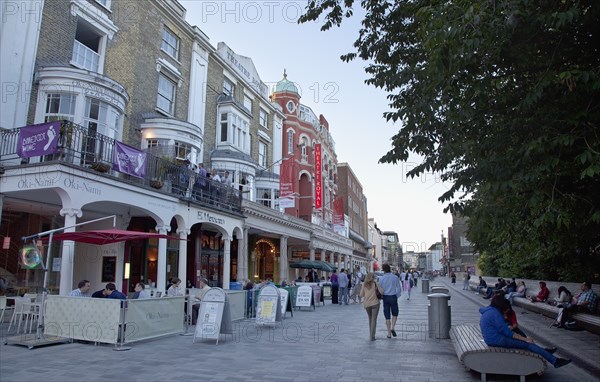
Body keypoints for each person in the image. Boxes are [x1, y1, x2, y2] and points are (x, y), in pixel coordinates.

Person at [479, 294, 571, 368]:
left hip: (492, 338)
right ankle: (555, 361)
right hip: (496, 340)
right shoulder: (495, 313)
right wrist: (525, 339)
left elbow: (503, 329)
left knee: (526, 341)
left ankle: (546, 353)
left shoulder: (489, 311)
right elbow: (507, 333)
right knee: (528, 343)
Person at [378, 263, 402, 338]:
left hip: (385, 297)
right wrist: (397, 295)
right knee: (395, 313)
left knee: (387, 315)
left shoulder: (381, 278)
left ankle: (389, 333)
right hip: (393, 296)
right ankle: (393, 327)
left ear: (384, 270)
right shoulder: (395, 277)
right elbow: (399, 288)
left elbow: (380, 289)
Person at [359, 272, 383, 341]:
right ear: (373, 277)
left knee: (370, 319)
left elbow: (361, 295)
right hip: (375, 303)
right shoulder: (375, 284)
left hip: (367, 304)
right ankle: (372, 336)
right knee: (374, 319)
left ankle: (371, 334)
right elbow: (381, 292)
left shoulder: (364, 285)